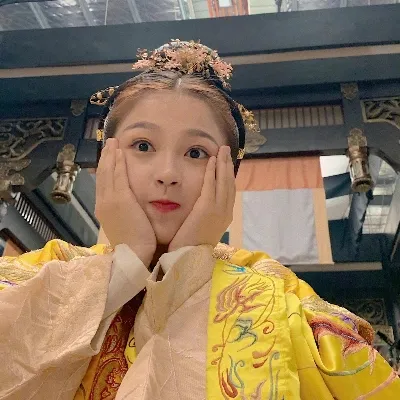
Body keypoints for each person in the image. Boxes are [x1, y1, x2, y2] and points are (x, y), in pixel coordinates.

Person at [0, 40, 398, 400]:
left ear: (229, 174)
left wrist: (187, 265)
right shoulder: (45, 270)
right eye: (143, 145)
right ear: (107, 160)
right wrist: (126, 264)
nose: (167, 173)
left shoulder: (275, 293)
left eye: (196, 153)